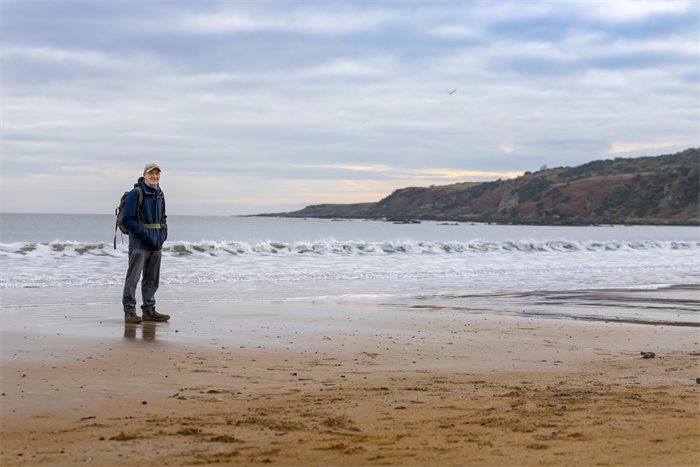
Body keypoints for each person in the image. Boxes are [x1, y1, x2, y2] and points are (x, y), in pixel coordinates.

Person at [122, 162, 170, 324]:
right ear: (144, 175)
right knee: (133, 279)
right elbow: (127, 219)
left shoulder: (160, 193)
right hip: (140, 244)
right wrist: (144, 234)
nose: (155, 176)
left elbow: (163, 218)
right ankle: (129, 312)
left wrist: (163, 234)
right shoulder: (136, 193)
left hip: (156, 243)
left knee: (152, 279)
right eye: (151, 173)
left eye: (157, 174)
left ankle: (149, 310)